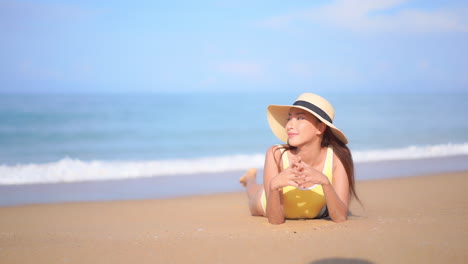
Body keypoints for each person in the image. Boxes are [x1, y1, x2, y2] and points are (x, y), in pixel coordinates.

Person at [239, 93, 359, 224]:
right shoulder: (276, 153)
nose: (289, 125)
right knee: (253, 190)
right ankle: (250, 178)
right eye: (289, 118)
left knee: (262, 186)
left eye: (300, 118)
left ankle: (251, 178)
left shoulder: (337, 156)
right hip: (266, 203)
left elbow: (340, 217)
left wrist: (325, 182)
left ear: (320, 128)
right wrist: (273, 186)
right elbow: (275, 220)